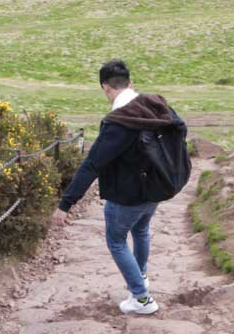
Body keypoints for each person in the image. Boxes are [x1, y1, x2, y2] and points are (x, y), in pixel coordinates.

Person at [52, 59, 185, 316]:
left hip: (127, 196)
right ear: (130, 83)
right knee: (141, 229)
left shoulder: (120, 122)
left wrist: (65, 204)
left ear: (105, 87)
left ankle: (142, 299)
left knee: (116, 241)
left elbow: (92, 164)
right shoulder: (157, 106)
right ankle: (141, 277)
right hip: (157, 188)